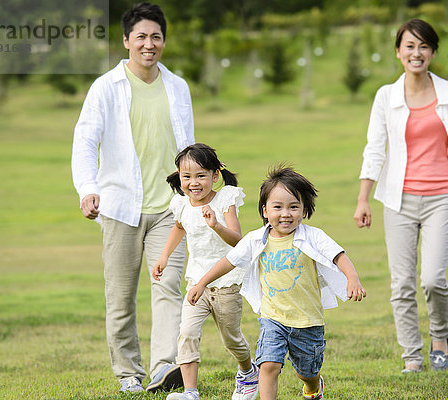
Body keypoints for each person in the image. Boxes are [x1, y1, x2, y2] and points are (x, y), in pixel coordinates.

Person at [353, 19, 448, 373]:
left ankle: (441, 335)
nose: (417, 53)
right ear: (399, 52)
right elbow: (375, 149)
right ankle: (412, 358)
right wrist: (363, 198)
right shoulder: (386, 96)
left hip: (441, 196)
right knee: (401, 283)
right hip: (399, 199)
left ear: (432, 52)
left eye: (424, 47)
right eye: (410, 46)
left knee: (432, 278)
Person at [71, 2, 194, 393]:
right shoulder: (105, 88)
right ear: (126, 41)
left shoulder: (177, 87)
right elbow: (86, 142)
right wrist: (88, 189)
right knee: (121, 298)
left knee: (168, 287)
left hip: (169, 210)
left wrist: (198, 193)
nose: (148, 43)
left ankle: (163, 367)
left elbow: (188, 146)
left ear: (164, 41)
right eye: (140, 36)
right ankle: (128, 372)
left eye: (156, 36)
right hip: (120, 207)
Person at [188, 166, 367, 400]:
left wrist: (352, 278)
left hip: (308, 321)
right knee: (268, 365)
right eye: (277, 207)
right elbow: (229, 261)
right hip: (273, 318)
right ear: (265, 210)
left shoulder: (313, 236)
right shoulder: (255, 239)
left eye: (294, 207)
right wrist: (202, 283)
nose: (286, 213)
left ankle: (313, 386)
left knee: (307, 372)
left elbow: (338, 256)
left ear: (304, 210)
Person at [151, 143, 259, 400]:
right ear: (179, 177)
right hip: (196, 283)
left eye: (201, 175)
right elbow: (179, 227)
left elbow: (238, 241)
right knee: (186, 333)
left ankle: (248, 371)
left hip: (227, 283)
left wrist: (216, 225)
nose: (193, 183)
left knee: (231, 339)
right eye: (186, 177)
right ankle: (190, 392)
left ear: (214, 176)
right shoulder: (181, 204)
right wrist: (163, 257)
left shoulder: (225, 200)